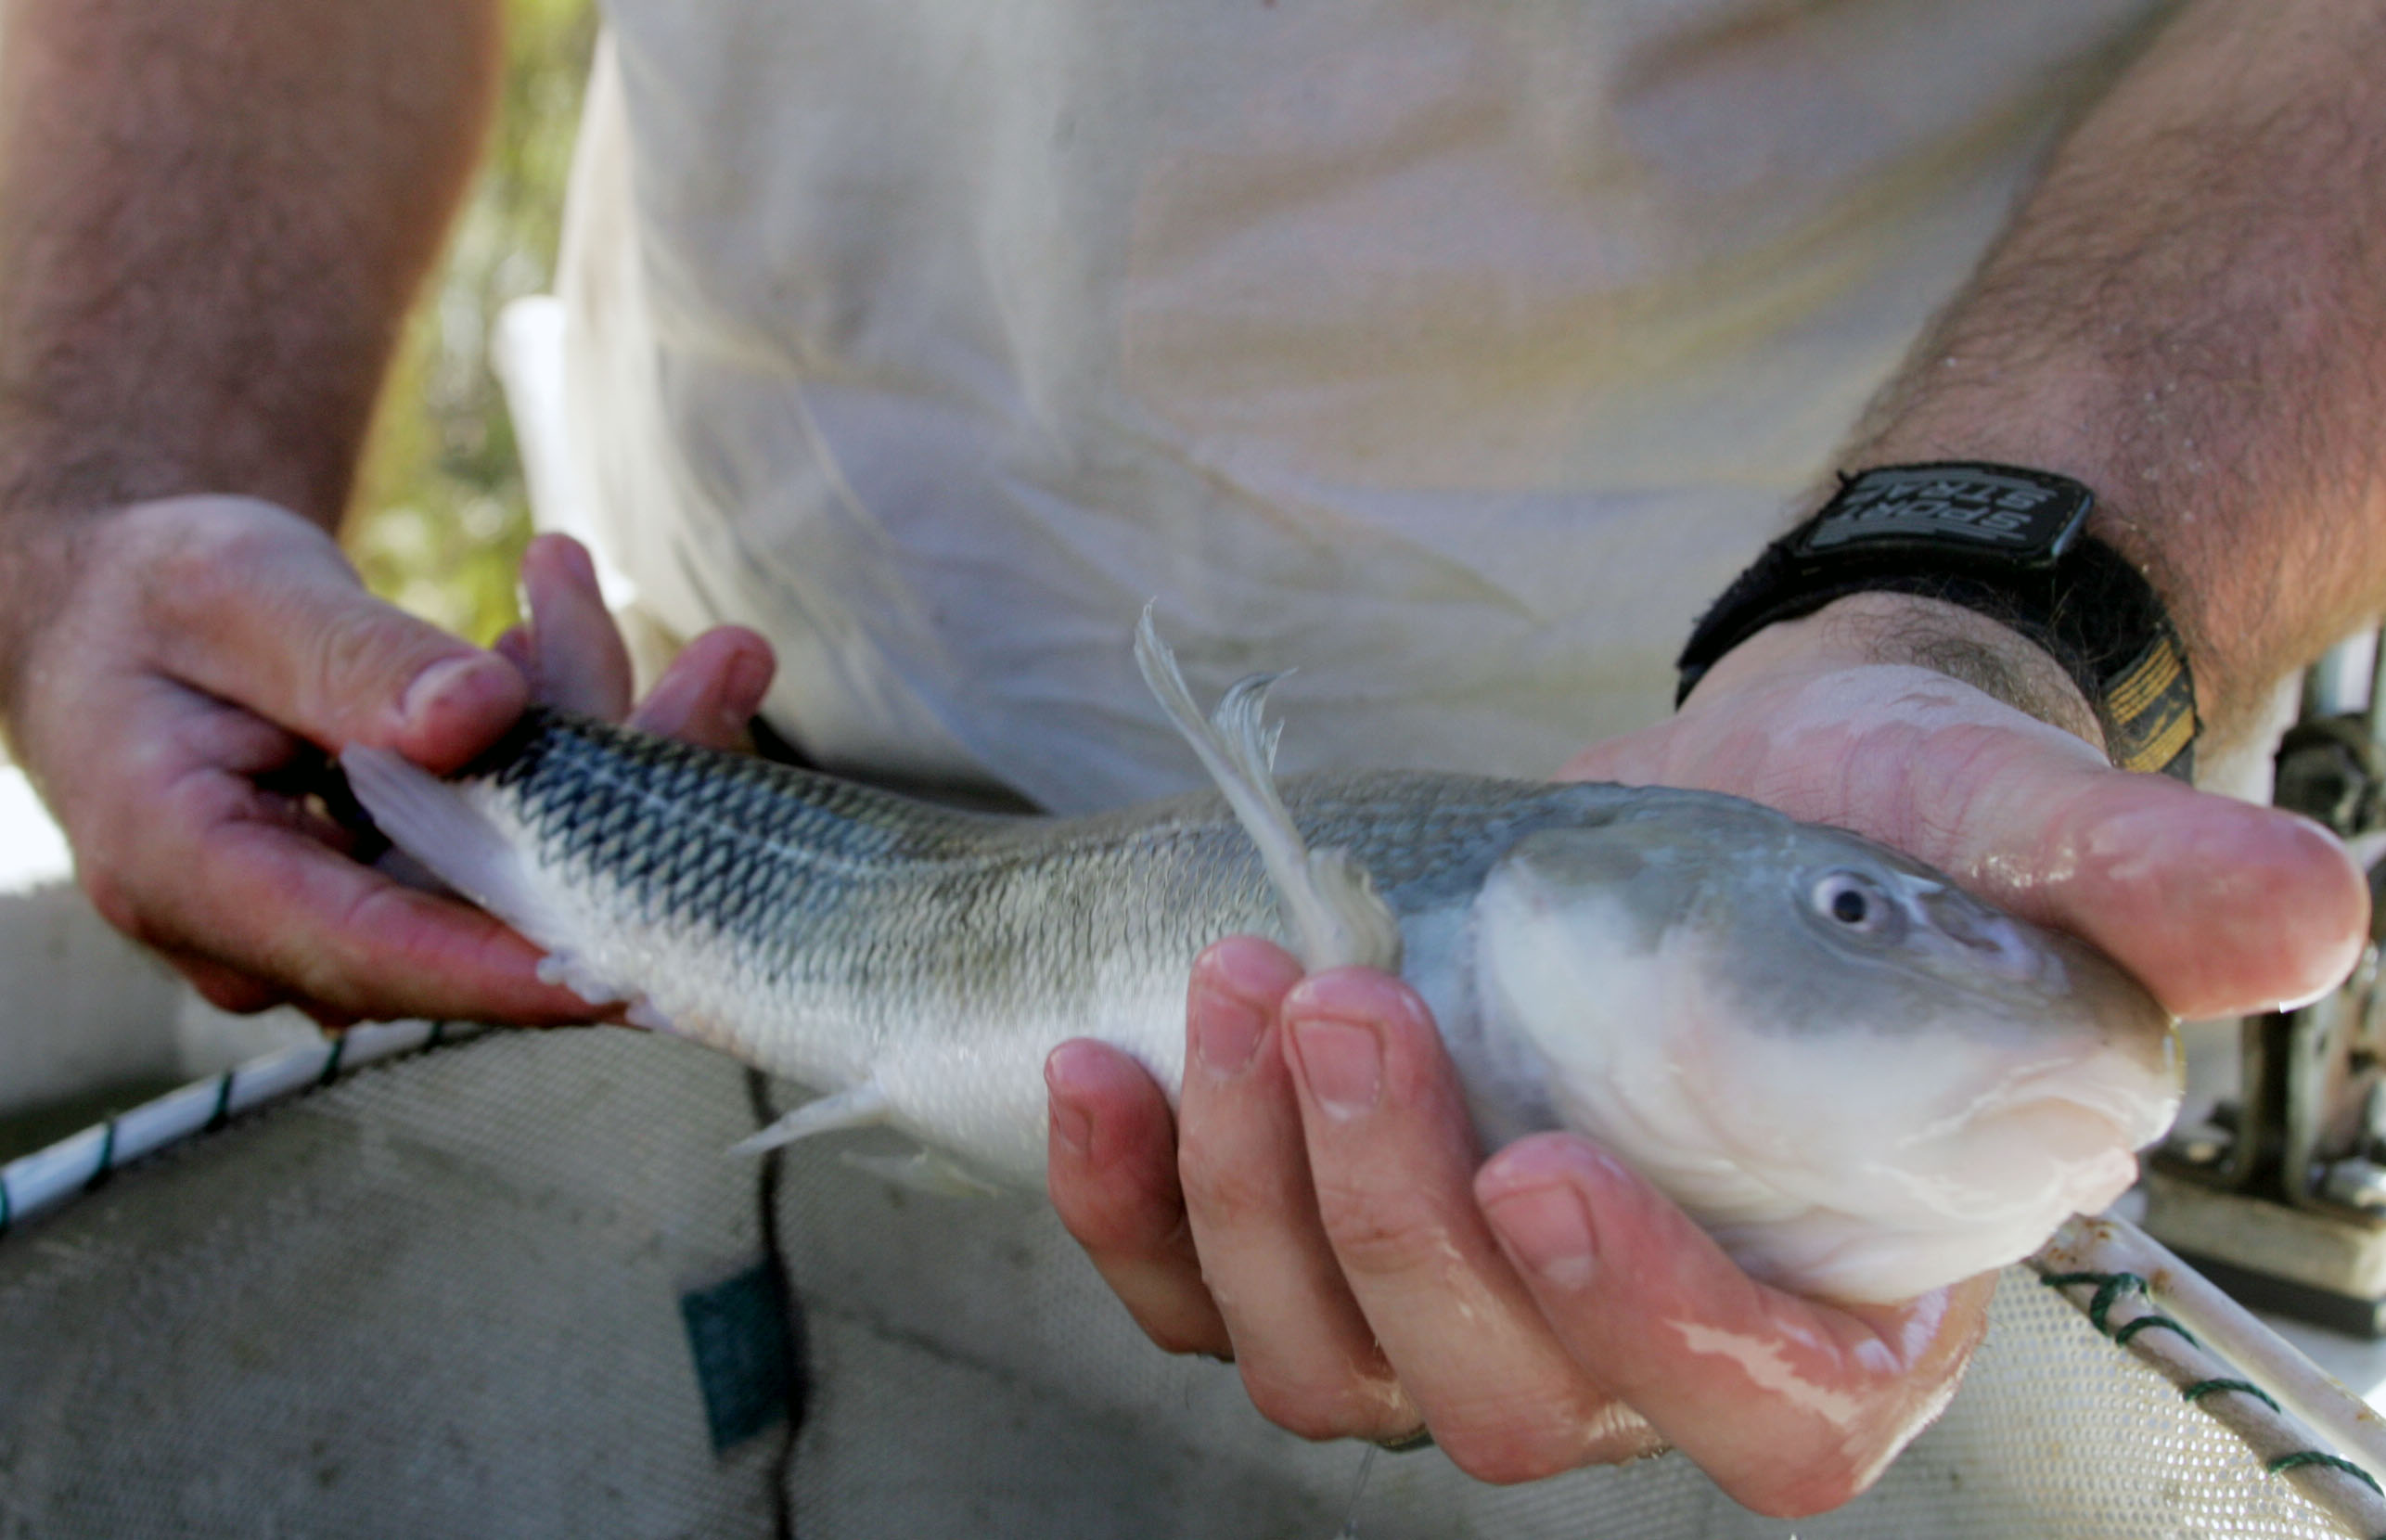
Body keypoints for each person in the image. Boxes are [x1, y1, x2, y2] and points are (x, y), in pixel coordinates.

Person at [0, 0, 2375, 1522]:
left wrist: (1983, 601)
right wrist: (119, 497)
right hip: (748, 720)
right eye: (1852, 927)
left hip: (1900, 690)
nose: (1896, 966)